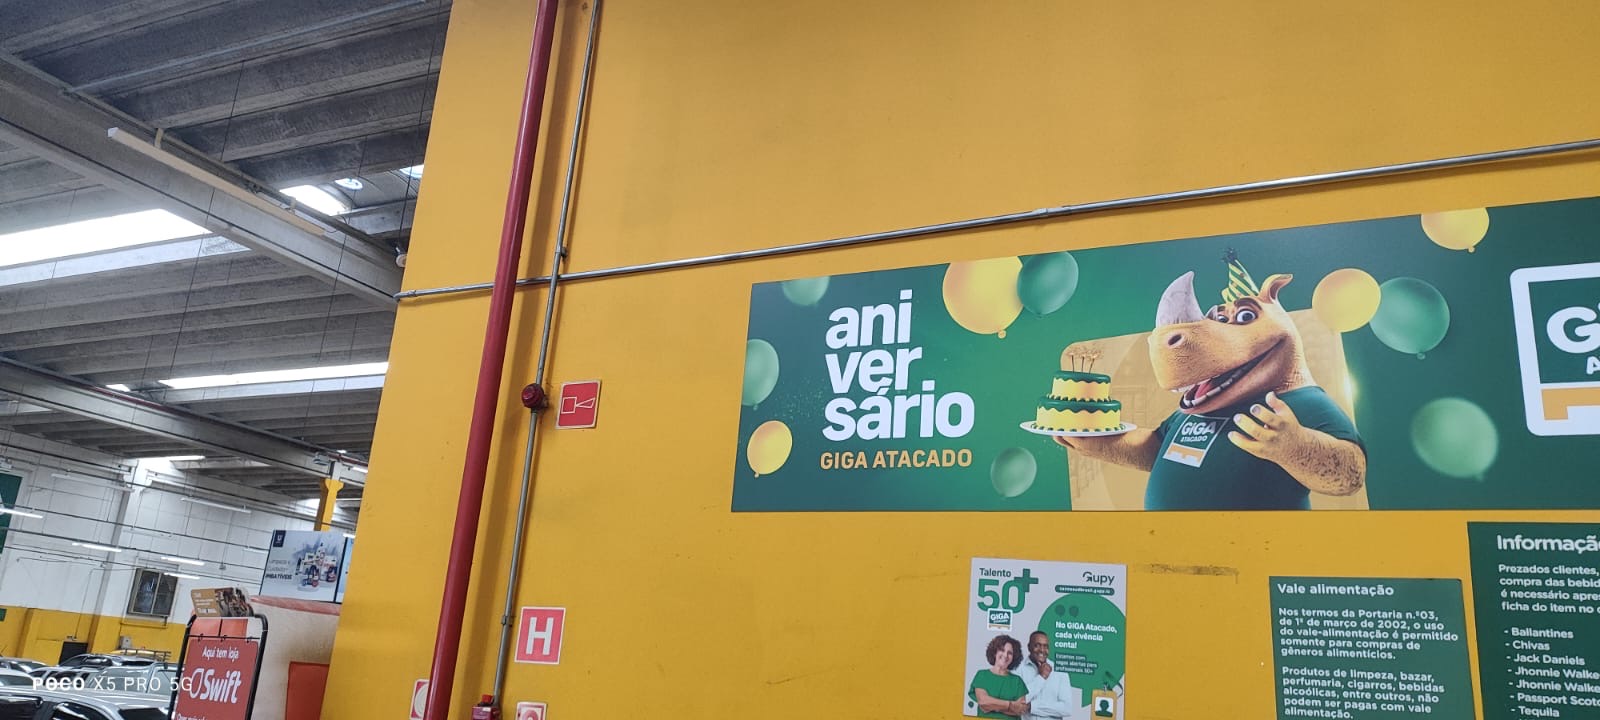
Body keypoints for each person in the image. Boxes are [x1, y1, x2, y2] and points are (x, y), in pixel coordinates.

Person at [1016, 631, 1077, 720]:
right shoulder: (1018, 669)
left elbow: (1067, 708)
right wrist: (1041, 677)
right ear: (1029, 647)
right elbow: (1018, 700)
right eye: (1037, 645)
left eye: (1045, 646)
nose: (1042, 650)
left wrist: (1032, 707)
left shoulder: (1060, 671)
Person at [969, 634, 1029, 719]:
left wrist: (992, 706)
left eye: (1010, 653)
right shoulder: (982, 675)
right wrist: (1010, 705)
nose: (1005, 655)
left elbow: (1020, 710)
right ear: (995, 652)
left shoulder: (1017, 681)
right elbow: (983, 702)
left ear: (1014, 657)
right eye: (1002, 650)